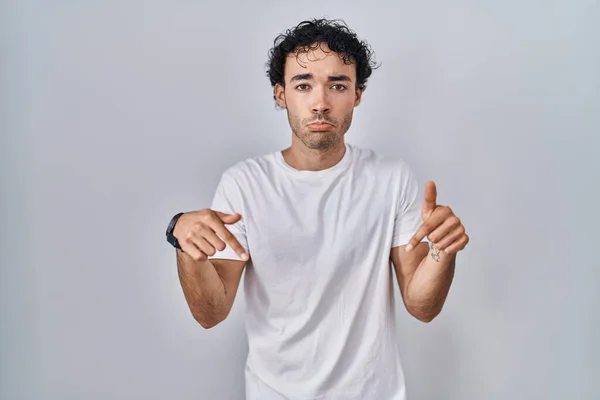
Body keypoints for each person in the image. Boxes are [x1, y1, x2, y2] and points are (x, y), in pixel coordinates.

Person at [165, 18, 469, 400]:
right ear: (281, 94)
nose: (321, 102)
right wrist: (187, 249)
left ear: (357, 94)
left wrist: (443, 251)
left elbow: (422, 306)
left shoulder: (391, 179)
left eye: (338, 85)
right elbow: (211, 313)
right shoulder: (244, 184)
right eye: (303, 84)